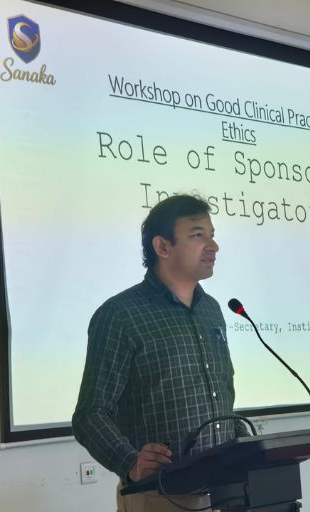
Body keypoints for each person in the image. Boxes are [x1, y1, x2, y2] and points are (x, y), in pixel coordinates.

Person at [72, 194, 246, 512]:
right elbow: (90, 414)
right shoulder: (120, 315)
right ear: (163, 247)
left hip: (223, 492)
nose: (213, 247)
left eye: (212, 236)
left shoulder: (212, 311)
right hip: (160, 495)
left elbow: (222, 394)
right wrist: (129, 462)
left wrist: (245, 445)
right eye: (198, 236)